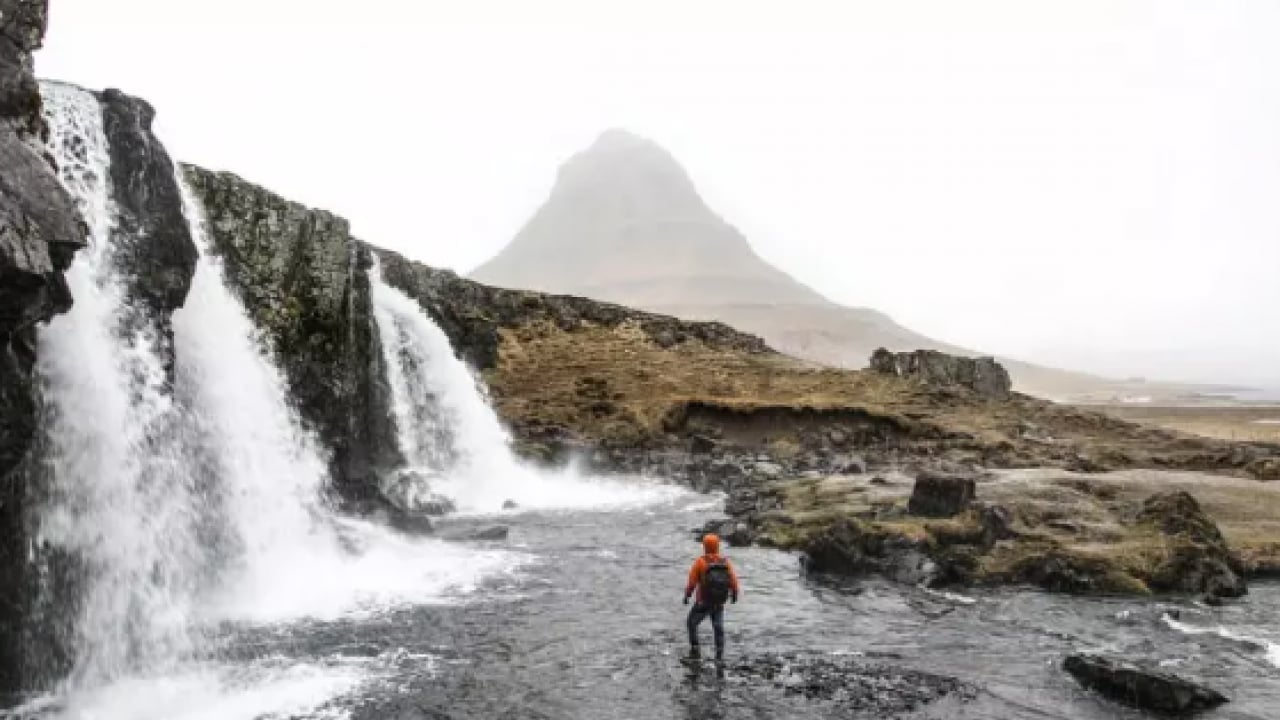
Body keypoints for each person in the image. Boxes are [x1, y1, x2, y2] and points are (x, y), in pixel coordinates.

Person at [683, 533, 740, 662]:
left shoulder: (700, 562)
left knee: (691, 623)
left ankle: (695, 648)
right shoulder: (725, 562)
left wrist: (687, 596)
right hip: (719, 602)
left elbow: (692, 583)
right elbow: (734, 581)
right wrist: (734, 595)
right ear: (717, 546)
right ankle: (719, 652)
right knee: (718, 626)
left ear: (705, 546)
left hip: (702, 601)